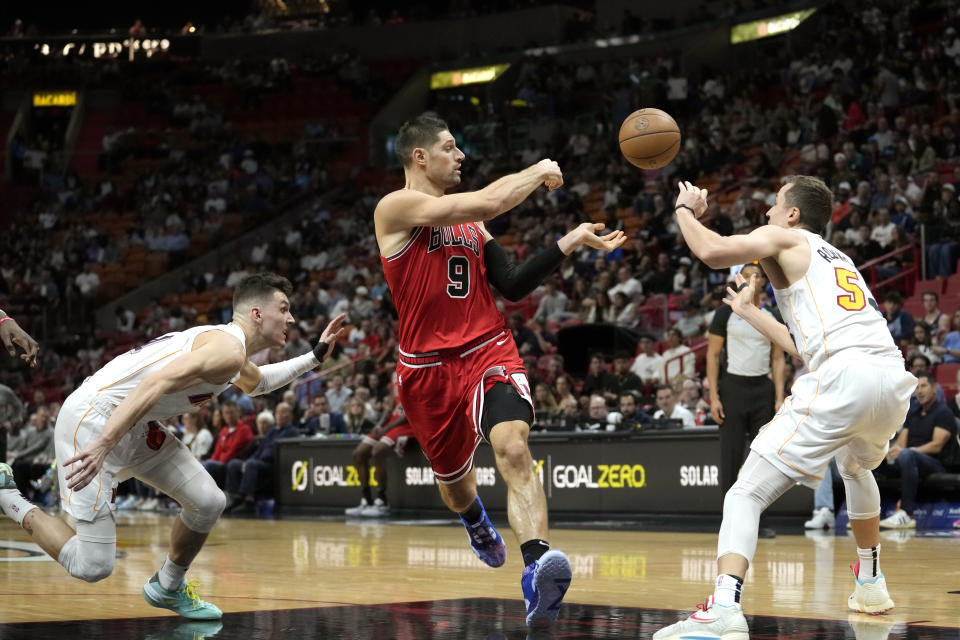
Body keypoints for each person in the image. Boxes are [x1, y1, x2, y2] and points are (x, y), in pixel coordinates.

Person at [374, 112, 624, 627]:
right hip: (425, 370)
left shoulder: (472, 222)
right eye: (449, 147)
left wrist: (568, 241)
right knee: (454, 486)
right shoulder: (395, 207)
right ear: (419, 157)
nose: (459, 155)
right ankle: (474, 519)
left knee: (512, 445)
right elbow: (490, 198)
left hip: (488, 349)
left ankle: (537, 571)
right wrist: (537, 170)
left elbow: (509, 284)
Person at [653, 177, 916, 640]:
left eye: (775, 204)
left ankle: (725, 610)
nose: (769, 212)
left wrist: (683, 210)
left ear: (793, 214)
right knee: (855, 468)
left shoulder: (786, 236)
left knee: (745, 494)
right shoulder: (839, 261)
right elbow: (803, 346)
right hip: (890, 376)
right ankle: (871, 584)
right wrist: (751, 313)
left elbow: (713, 253)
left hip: (845, 374)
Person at [0, 273, 346, 620]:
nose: (291, 319)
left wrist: (315, 356)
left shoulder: (230, 349)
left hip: (133, 422)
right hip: (93, 419)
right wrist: (105, 441)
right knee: (91, 565)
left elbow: (258, 384)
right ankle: (7, 496)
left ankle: (167, 586)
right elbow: (156, 381)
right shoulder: (226, 349)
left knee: (208, 501)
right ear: (257, 313)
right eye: (284, 309)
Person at [706, 262, 786, 494]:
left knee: (762, 456)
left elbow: (778, 358)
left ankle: (760, 518)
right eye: (747, 275)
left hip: (763, 390)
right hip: (732, 388)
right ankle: (729, 519)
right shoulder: (725, 313)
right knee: (730, 455)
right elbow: (712, 355)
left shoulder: (771, 315)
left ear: (763, 281)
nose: (752, 279)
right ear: (739, 281)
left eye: (757, 276)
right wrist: (713, 397)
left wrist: (779, 396)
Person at [875, 372, 956, 529]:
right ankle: (870, 512)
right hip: (909, 461)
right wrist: (890, 452)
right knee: (873, 459)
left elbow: (936, 445)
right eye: (916, 387)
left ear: (934, 388)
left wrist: (909, 451)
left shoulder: (943, 412)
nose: (919, 391)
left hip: (936, 464)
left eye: (924, 386)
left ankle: (907, 513)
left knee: (908, 455)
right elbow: (901, 444)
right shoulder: (913, 414)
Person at [224, 402, 300, 514]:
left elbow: (278, 453)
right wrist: (247, 461)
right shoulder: (272, 431)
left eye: (284, 412)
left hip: (274, 465)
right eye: (278, 412)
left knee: (251, 464)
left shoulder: (292, 431)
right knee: (234, 464)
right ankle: (234, 498)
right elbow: (260, 449)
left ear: (291, 416)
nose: (280, 415)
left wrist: (251, 462)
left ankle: (248, 501)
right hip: (259, 462)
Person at [345, 396, 413, 517]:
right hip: (389, 425)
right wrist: (380, 425)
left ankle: (382, 501)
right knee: (358, 454)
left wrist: (386, 428)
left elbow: (409, 415)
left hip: (407, 426)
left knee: (377, 451)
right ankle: (367, 500)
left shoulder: (414, 383)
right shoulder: (395, 384)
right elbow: (388, 410)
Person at [201, 401, 254, 487]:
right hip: (221, 463)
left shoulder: (244, 430)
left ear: (238, 412)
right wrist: (213, 460)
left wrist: (214, 462)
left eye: (231, 412)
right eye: (226, 413)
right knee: (203, 464)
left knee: (208, 465)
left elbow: (233, 452)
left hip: (232, 463)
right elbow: (217, 452)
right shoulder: (224, 430)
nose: (229, 415)